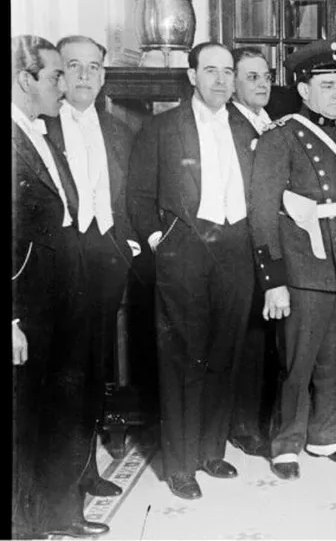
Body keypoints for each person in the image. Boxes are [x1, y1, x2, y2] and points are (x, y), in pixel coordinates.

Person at [127, 42, 257, 500]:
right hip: (185, 247)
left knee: (225, 352)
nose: (221, 80)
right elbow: (139, 196)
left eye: (228, 72)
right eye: (211, 71)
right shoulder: (162, 128)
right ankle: (180, 464)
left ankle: (210, 450)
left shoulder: (246, 127)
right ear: (191, 75)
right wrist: (161, 242)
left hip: (236, 249)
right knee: (183, 357)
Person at [248, 39, 336, 481]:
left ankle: (326, 436)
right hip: (304, 264)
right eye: (327, 86)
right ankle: (286, 443)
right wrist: (274, 278)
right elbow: (264, 213)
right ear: (303, 90)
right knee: (297, 361)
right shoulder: (281, 135)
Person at [12, 34, 109, 540]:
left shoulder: (39, 134)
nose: (63, 85)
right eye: (54, 76)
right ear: (26, 80)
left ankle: (60, 513)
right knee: (26, 421)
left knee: (59, 411)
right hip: (29, 309)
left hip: (63, 298)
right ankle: (24, 526)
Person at [45, 35, 141, 499]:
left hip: (106, 260)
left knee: (95, 368)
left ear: (104, 75)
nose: (84, 76)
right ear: (59, 75)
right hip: (62, 264)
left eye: (93, 68)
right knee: (62, 374)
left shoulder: (120, 129)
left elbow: (128, 196)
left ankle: (86, 470)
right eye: (73, 66)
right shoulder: (42, 128)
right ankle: (60, 480)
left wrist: (126, 243)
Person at [225, 46, 280, 458]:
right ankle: (243, 426)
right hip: (245, 245)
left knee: (267, 336)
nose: (262, 84)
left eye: (265, 76)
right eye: (251, 78)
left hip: (273, 239)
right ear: (233, 86)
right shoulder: (230, 125)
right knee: (247, 337)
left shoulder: (268, 122)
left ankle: (263, 419)